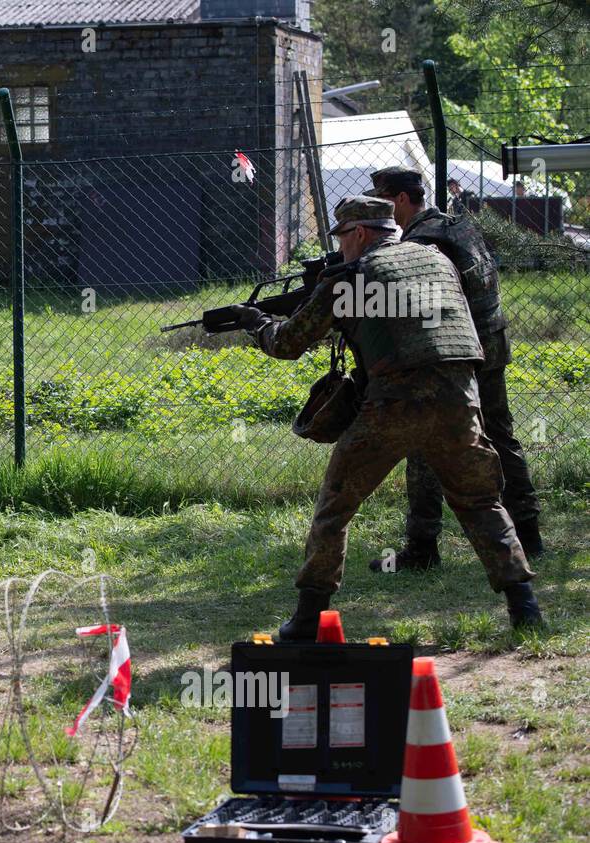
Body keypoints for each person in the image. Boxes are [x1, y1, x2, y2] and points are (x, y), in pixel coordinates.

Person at [229, 195, 543, 641]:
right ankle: (525, 608)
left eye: (342, 239)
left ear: (359, 234)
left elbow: (287, 344)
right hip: (461, 397)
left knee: (335, 508)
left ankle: (306, 620)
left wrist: (256, 322)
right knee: (480, 502)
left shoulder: (348, 279)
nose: (340, 249)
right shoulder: (436, 260)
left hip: (394, 405)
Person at [367, 167, 542, 573]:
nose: (379, 208)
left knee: (426, 441)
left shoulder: (423, 241)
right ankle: (529, 534)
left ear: (402, 200)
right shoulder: (453, 226)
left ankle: (423, 545)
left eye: (383, 199)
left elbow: (420, 310)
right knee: (501, 436)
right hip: (491, 344)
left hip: (457, 355)